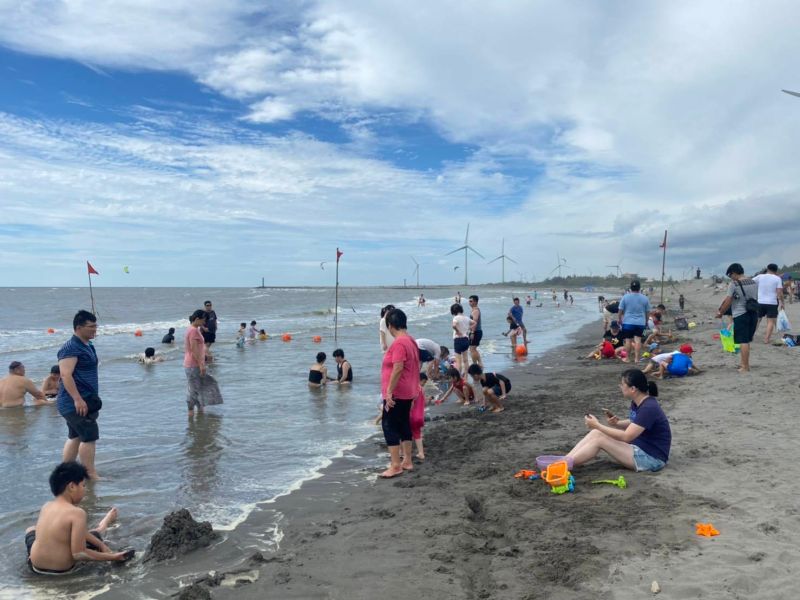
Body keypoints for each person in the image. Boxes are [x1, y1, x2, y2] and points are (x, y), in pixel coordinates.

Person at [25, 462, 134, 574]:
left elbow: (76, 532)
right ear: (72, 487)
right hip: (60, 571)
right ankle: (103, 525)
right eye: (83, 485)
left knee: (31, 530)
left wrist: (101, 545)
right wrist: (114, 557)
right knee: (94, 534)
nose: (85, 490)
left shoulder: (46, 506)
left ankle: (104, 524)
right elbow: (79, 554)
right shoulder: (77, 513)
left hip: (35, 566)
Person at [566, 369, 670, 472]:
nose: (620, 386)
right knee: (595, 433)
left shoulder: (648, 407)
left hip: (652, 459)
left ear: (633, 388)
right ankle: (565, 460)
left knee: (599, 439)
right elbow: (637, 422)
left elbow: (626, 437)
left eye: (622, 384)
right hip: (640, 448)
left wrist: (597, 425)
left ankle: (563, 466)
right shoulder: (638, 402)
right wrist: (617, 423)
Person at [57, 310, 102, 480]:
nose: (95, 330)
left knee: (75, 435)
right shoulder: (71, 347)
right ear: (78, 328)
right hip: (74, 402)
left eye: (96, 326)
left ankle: (65, 473)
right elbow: (65, 374)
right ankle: (90, 474)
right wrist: (77, 399)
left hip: (85, 399)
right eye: (91, 327)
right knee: (89, 436)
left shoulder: (87, 344)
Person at [379, 308, 420, 478]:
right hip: (408, 390)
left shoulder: (399, 343)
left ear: (390, 325)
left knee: (389, 425)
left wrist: (389, 392)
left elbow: (398, 368)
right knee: (403, 424)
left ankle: (396, 465)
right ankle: (407, 460)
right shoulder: (411, 340)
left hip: (397, 392)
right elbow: (416, 365)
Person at [717, 262, 758, 372]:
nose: (730, 278)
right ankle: (744, 363)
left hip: (741, 314)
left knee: (743, 341)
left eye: (730, 275)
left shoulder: (734, 284)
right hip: (753, 313)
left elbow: (728, 301)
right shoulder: (753, 282)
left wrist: (721, 312)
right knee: (747, 340)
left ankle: (745, 366)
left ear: (734, 273)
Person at [618, 280, 651, 364]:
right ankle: (637, 359)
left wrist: (619, 319)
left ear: (630, 288)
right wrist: (646, 321)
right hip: (640, 323)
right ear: (639, 288)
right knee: (638, 340)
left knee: (628, 340)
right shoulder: (645, 298)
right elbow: (647, 312)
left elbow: (620, 310)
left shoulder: (625, 297)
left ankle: (627, 358)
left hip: (628, 322)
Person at [753, 264, 784, 344]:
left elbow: (751, 282)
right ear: (776, 270)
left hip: (760, 302)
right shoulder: (777, 278)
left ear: (767, 269)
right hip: (772, 303)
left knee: (757, 320)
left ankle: (751, 336)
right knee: (770, 321)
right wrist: (782, 303)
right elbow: (779, 293)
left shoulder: (760, 276)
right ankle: (766, 339)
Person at [184, 310, 207, 415]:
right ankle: (191, 413)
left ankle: (200, 411)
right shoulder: (193, 330)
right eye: (203, 320)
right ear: (197, 319)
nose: (204, 322)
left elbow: (198, 347)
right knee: (194, 389)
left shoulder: (192, 329)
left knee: (197, 388)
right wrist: (201, 364)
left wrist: (206, 356)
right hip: (193, 364)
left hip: (193, 363)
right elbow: (194, 349)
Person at [450, 303, 472, 377]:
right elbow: (474, 323)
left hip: (458, 340)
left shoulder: (456, 318)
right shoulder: (466, 318)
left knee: (458, 361)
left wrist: (457, 331)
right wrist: (469, 329)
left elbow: (453, 325)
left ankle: (458, 377)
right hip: (466, 339)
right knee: (465, 360)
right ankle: (466, 376)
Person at [410, 373, 427, 461]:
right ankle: (421, 453)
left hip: (412, 416)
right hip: (420, 417)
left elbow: (411, 403)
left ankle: (403, 453)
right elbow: (425, 402)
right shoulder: (422, 389)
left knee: (405, 434)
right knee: (417, 434)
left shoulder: (414, 388)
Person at [468, 295, 484, 367]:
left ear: (475, 302)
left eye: (471, 301)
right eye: (469, 301)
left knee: (472, 349)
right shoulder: (474, 309)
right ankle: (480, 363)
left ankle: (475, 365)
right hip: (477, 332)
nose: (469, 302)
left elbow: (475, 322)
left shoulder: (475, 311)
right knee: (473, 349)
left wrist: (472, 332)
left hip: (476, 332)